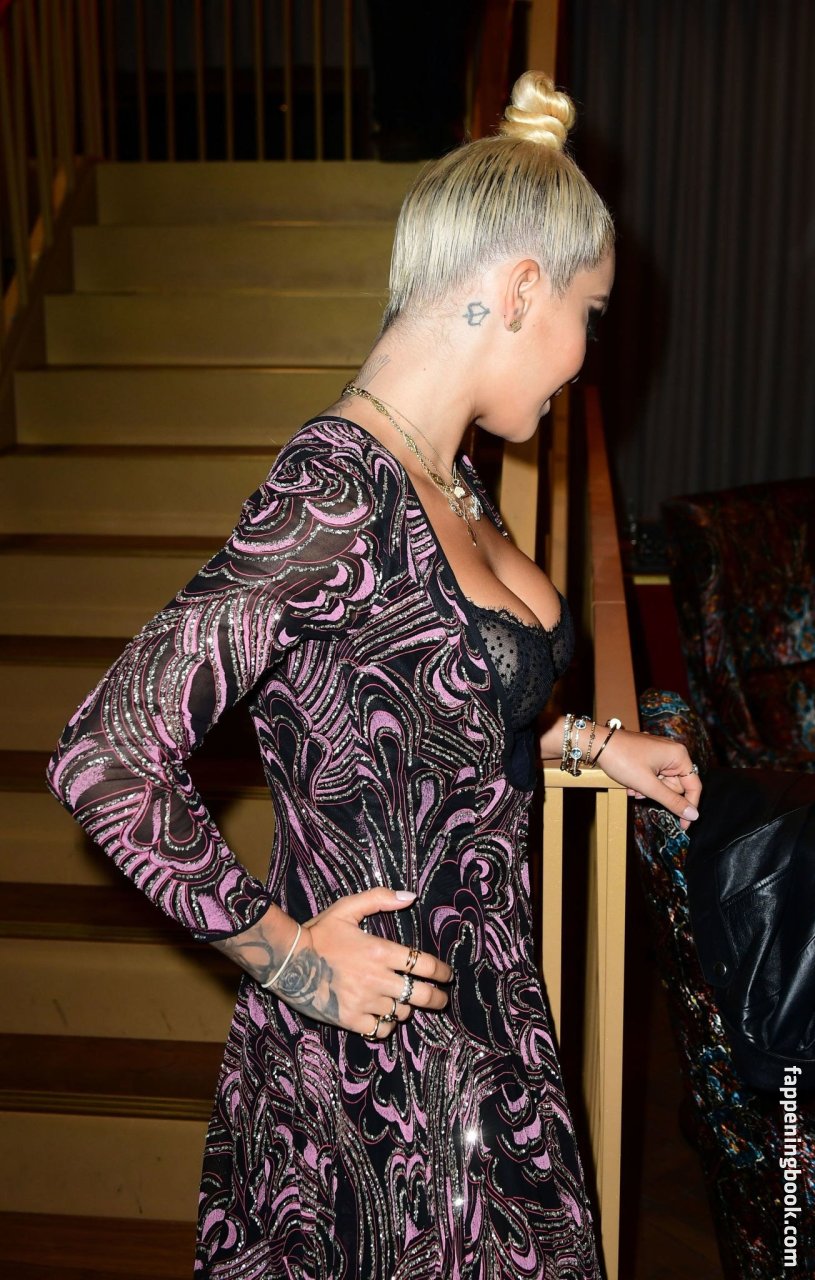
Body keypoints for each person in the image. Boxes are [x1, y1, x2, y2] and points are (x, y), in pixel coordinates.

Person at [46, 71, 702, 1280]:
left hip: (489, 1028)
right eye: (588, 312)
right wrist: (288, 955)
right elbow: (105, 756)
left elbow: (429, 712)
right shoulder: (335, 489)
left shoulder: (449, 473)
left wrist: (586, 743)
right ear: (520, 290)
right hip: (374, 1078)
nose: (584, 353)